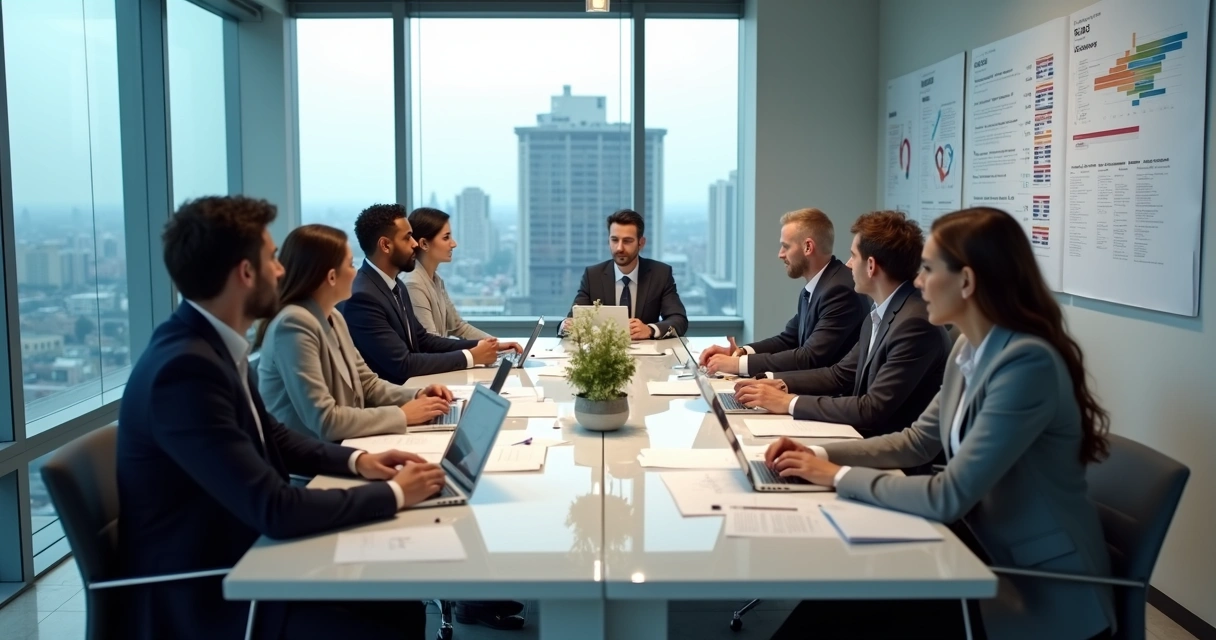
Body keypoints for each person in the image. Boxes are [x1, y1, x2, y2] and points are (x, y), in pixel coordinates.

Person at [765, 207, 1115, 640]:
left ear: (966, 281)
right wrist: (816, 454)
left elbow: (949, 495)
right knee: (840, 600)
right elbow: (917, 441)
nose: (916, 281)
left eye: (928, 269)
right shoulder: (970, 345)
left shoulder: (1026, 363)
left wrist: (835, 475)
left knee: (852, 604)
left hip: (1032, 583)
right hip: (973, 546)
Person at [117, 196, 446, 640]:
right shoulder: (185, 370)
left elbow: (273, 435)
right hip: (214, 590)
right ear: (244, 273)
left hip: (247, 551)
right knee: (389, 618)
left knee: (398, 603)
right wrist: (393, 494)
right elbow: (273, 506)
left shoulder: (209, 346)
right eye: (271, 258)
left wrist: (357, 463)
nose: (280, 270)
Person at [733, 211, 949, 438]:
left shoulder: (913, 325)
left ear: (871, 266)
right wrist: (777, 384)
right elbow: (840, 375)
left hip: (891, 456)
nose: (848, 264)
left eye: (853, 256)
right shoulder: (882, 311)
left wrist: (789, 402)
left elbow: (871, 409)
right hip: (862, 436)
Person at [255, 224, 458, 441]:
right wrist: (402, 415)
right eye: (351, 265)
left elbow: (368, 384)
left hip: (345, 444)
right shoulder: (293, 325)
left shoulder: (334, 317)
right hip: (312, 466)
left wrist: (417, 394)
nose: (356, 272)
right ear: (332, 277)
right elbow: (326, 420)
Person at [340, 204, 510, 384]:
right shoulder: (364, 298)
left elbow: (423, 340)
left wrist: (485, 346)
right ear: (385, 245)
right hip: (392, 402)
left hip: (413, 391)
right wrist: (471, 357)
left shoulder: (395, 286)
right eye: (407, 238)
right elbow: (403, 364)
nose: (414, 244)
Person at [700, 208, 867, 375]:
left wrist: (738, 365)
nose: (780, 254)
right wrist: (739, 353)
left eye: (785, 246)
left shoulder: (839, 291)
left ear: (808, 247)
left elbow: (809, 357)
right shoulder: (817, 287)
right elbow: (789, 339)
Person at [558, 209, 688, 340]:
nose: (619, 248)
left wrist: (650, 330)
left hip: (648, 355)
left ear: (641, 243)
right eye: (614, 240)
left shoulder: (660, 274)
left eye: (627, 241)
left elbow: (679, 320)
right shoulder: (593, 276)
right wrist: (566, 326)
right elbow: (572, 319)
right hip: (604, 355)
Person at [403, 206, 521, 350]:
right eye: (446, 238)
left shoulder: (436, 279)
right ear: (424, 244)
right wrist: (479, 351)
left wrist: (496, 345)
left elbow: (458, 326)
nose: (453, 244)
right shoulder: (413, 284)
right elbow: (431, 343)